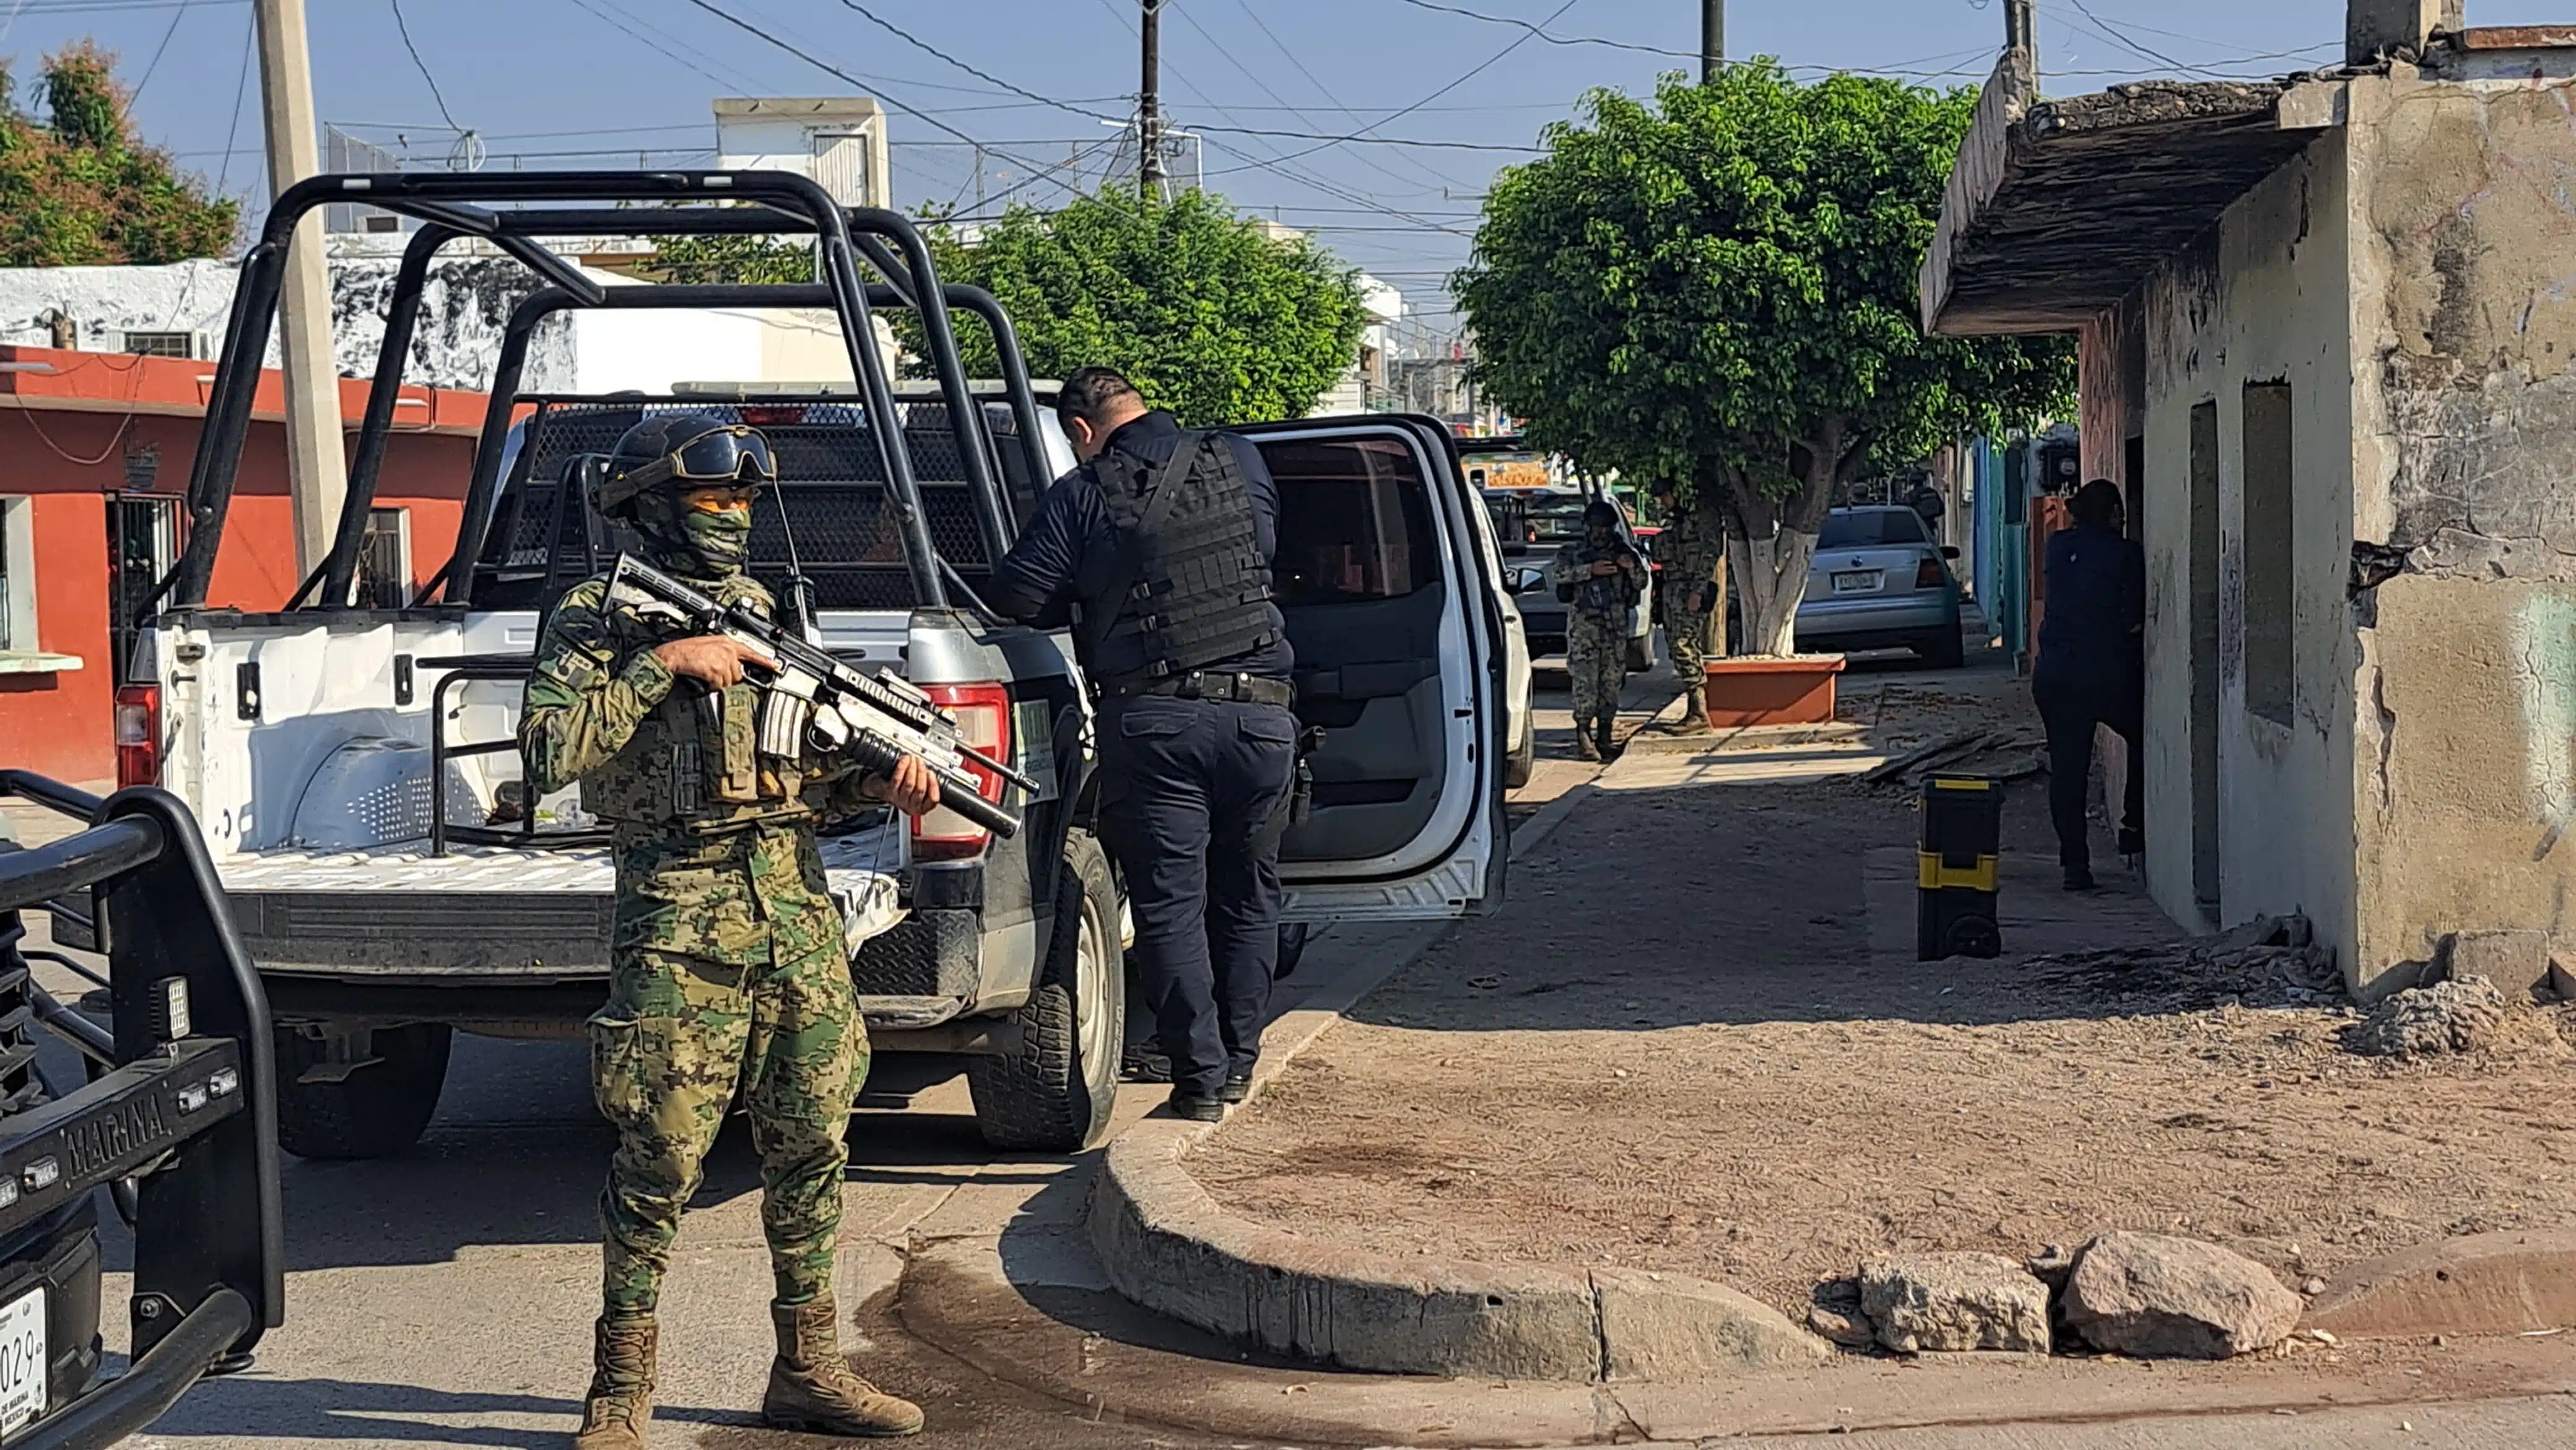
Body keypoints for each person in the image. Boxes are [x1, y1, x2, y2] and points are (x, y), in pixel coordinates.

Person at [521, 413, 940, 1448]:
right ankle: (618, 1390)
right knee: (659, 1154)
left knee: (814, 1140)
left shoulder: (761, 608)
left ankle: (809, 1367)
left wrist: (881, 776)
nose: (735, 514)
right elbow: (545, 749)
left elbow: (795, 767)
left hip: (793, 910)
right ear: (656, 503)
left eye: (746, 497)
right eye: (715, 496)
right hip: (678, 917)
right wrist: (665, 663)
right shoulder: (593, 614)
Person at [987, 367, 1297, 1124]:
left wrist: (1092, 590)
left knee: (1170, 904)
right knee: (1248, 891)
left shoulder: (1083, 491)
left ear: (1080, 431)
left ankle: (1199, 1077)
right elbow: (1260, 542)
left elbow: (1018, 597)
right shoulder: (1237, 457)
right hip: (1262, 717)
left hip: (1156, 723)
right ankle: (1239, 1060)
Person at [2032, 477, 2146, 892]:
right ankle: (2133, 824)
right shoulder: (2127, 554)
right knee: (2143, 736)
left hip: (2055, 673)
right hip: (2105, 673)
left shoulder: (2058, 547)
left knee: (2068, 771)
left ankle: (2075, 867)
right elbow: (2131, 617)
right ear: (2114, 515)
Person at [1550, 499, 1648, 762]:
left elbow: (1642, 581)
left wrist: (1631, 567)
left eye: (1605, 527)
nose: (1600, 533)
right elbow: (1559, 575)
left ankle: (1605, 735)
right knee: (1585, 682)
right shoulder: (1574, 551)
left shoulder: (1623, 550)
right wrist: (1589, 571)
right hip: (1585, 629)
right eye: (1596, 527)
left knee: (1611, 684)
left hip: (1614, 628)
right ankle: (1583, 734)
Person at [1647, 479, 1727, 735]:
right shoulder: (1674, 520)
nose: (1663, 502)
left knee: (1684, 644)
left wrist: (1697, 590)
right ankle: (1694, 710)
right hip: (1672, 588)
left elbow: (1711, 553)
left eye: (1665, 496)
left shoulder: (1702, 517)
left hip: (1690, 590)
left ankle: (1700, 713)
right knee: (1676, 647)